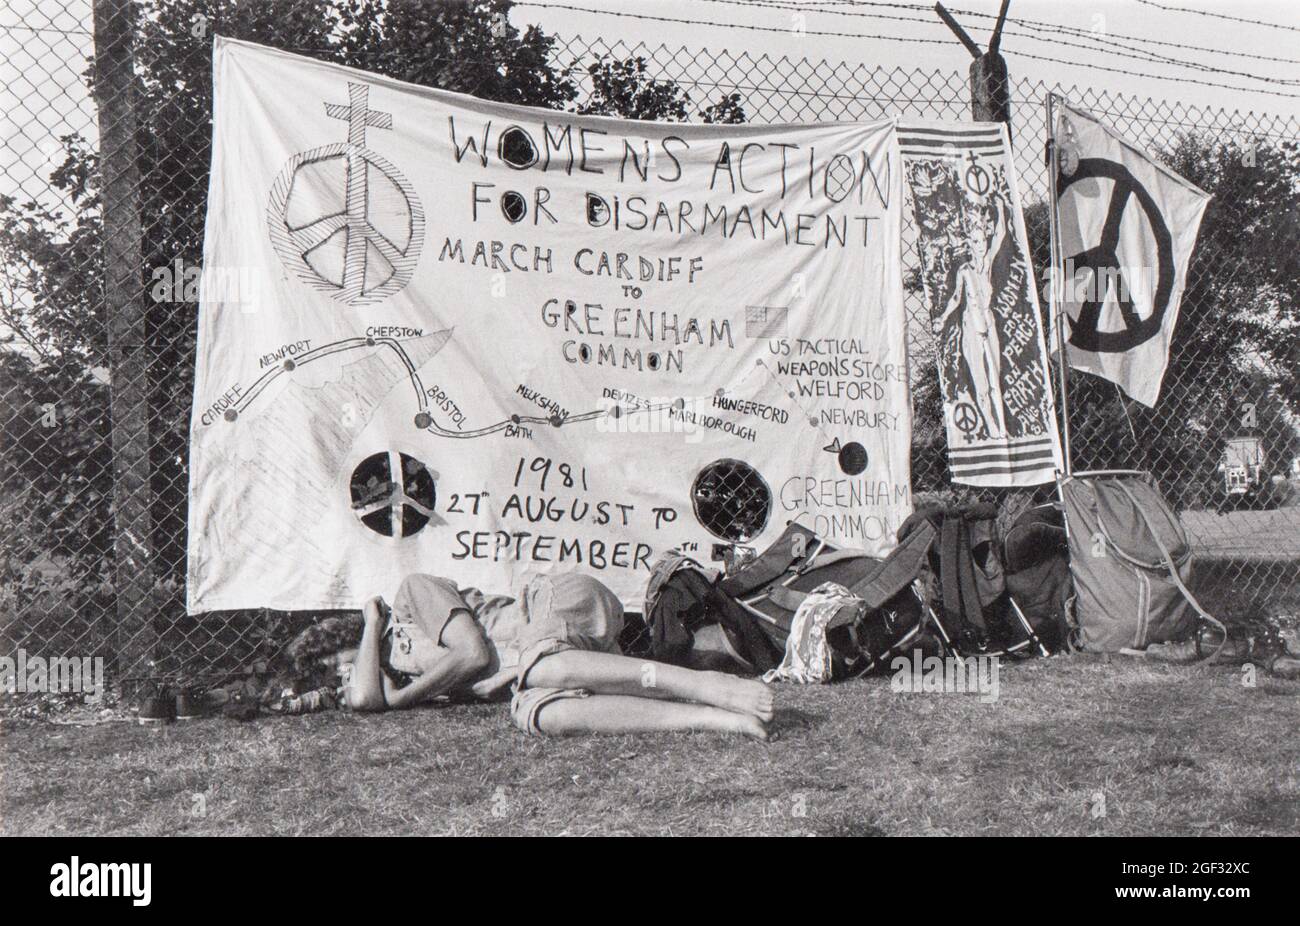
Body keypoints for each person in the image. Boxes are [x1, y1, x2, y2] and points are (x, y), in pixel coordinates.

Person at [290, 571, 775, 739]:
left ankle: (705, 686)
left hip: (558, 604)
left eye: (346, 665)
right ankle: (713, 719)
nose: (352, 680)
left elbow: (474, 653)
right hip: (541, 668)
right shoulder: (407, 678)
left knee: (541, 662)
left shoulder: (412, 595)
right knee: (540, 715)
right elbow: (364, 701)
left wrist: (375, 621)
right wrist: (386, 688)